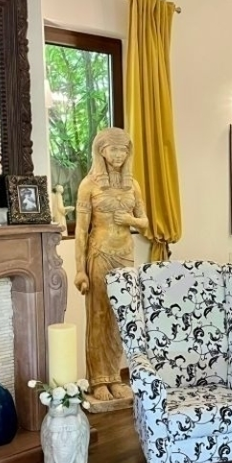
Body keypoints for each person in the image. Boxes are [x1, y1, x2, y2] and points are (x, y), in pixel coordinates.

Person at [74, 127, 148, 403]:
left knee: (120, 316)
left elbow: (145, 222)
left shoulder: (133, 185)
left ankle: (115, 376)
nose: (118, 155)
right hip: (100, 253)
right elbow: (81, 231)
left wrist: (131, 221)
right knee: (98, 315)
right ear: (101, 151)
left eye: (123, 150)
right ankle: (98, 380)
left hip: (125, 254)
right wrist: (79, 269)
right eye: (113, 149)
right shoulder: (89, 185)